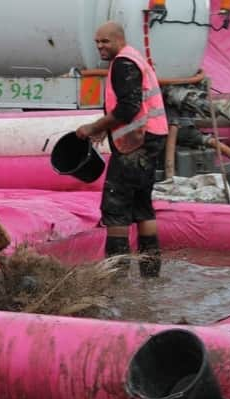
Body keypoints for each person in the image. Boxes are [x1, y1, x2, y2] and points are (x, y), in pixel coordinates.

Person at [76, 21, 168, 278]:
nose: (100, 47)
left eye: (105, 41)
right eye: (97, 42)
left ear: (119, 39)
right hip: (150, 140)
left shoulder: (123, 64)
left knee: (115, 208)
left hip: (136, 145)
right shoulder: (134, 58)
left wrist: (94, 127)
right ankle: (151, 277)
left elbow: (128, 108)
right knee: (142, 207)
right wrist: (107, 132)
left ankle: (116, 282)